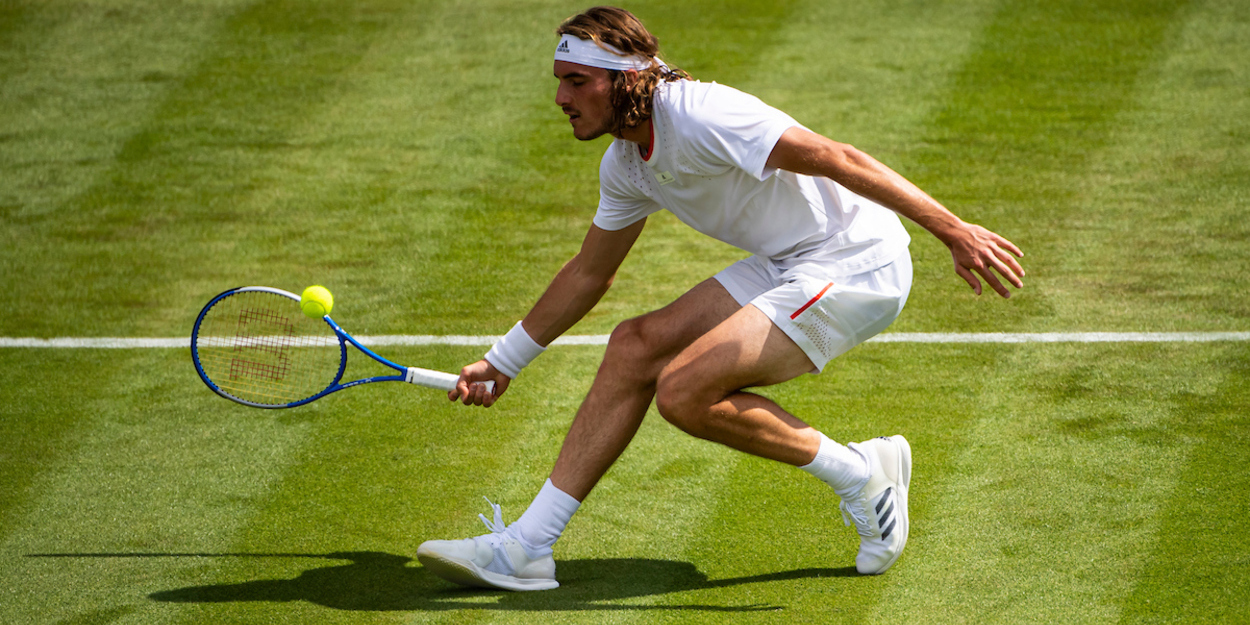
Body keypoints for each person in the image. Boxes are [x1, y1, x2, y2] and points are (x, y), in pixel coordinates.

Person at [416, 6, 1024, 591]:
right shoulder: (625, 163)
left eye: (577, 82)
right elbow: (587, 274)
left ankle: (862, 475)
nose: (560, 99)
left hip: (855, 260)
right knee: (634, 346)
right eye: (560, 82)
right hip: (787, 260)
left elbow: (837, 157)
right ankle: (527, 548)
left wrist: (952, 229)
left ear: (624, 79)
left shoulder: (702, 113)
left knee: (683, 391)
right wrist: (504, 360)